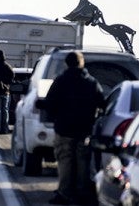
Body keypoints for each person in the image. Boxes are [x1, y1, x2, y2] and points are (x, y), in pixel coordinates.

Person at [38, 51, 105, 205]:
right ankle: (82, 194)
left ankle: (65, 193)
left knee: (65, 162)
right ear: (82, 64)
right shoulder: (92, 83)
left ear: (67, 64)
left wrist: (54, 115)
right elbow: (102, 104)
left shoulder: (61, 81)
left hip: (64, 129)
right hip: (84, 130)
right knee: (83, 162)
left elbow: (50, 104)